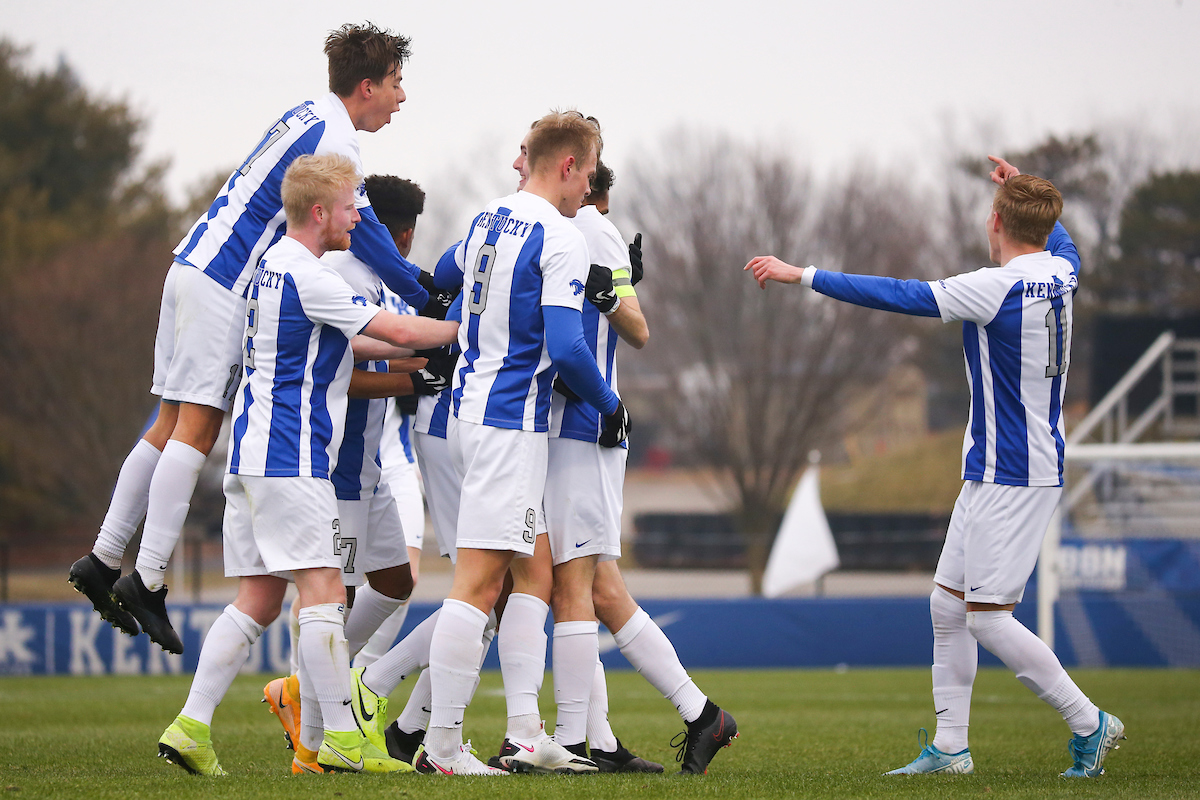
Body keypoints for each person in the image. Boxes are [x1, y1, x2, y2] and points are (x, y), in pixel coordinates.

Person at [68, 23, 451, 655]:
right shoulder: (339, 145)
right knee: (198, 425)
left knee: (166, 423)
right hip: (226, 281)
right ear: (367, 85)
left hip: (191, 265)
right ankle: (151, 578)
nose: (402, 96)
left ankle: (104, 558)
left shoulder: (307, 114)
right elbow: (371, 235)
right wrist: (427, 296)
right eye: (397, 82)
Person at [745, 156, 1124, 779]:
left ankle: (1090, 723)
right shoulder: (1061, 271)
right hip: (998, 466)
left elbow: (901, 295)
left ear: (994, 221)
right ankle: (951, 748)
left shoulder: (994, 285)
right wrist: (1023, 187)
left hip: (1016, 472)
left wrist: (803, 274)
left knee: (989, 620)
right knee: (947, 609)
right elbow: (1064, 240)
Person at [156, 154, 458, 776]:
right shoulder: (311, 274)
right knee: (324, 593)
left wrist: (420, 353)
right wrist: (467, 327)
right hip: (291, 457)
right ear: (320, 212)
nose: (359, 218)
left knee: (258, 601)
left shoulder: (276, 267)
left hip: (255, 453)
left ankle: (190, 725)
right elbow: (393, 330)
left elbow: (358, 343)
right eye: (352, 207)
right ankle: (340, 738)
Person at [412, 110, 630, 776]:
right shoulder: (560, 237)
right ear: (568, 165)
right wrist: (609, 404)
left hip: (472, 414)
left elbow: (440, 277)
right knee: (477, 585)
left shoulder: (487, 217)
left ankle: (526, 734)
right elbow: (566, 346)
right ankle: (441, 748)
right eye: (588, 171)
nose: (589, 184)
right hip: (508, 423)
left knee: (534, 573)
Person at [261, 174, 455, 774]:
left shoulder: (380, 281)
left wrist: (415, 366)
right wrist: (415, 376)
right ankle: (314, 736)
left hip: (369, 467)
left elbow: (391, 345)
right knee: (331, 598)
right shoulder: (340, 277)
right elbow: (342, 372)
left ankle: (314, 691)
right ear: (401, 232)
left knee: (396, 580)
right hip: (337, 467)